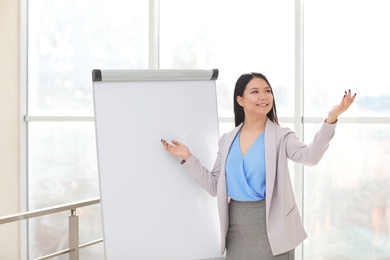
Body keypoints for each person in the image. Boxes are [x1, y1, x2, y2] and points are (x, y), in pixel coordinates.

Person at [161, 72, 356, 259]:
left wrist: (331, 119)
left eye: (267, 91)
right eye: (255, 91)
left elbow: (310, 156)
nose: (264, 96)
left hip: (274, 231)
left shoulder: (281, 136)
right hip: (236, 231)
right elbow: (215, 186)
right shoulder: (227, 140)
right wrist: (188, 157)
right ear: (240, 100)